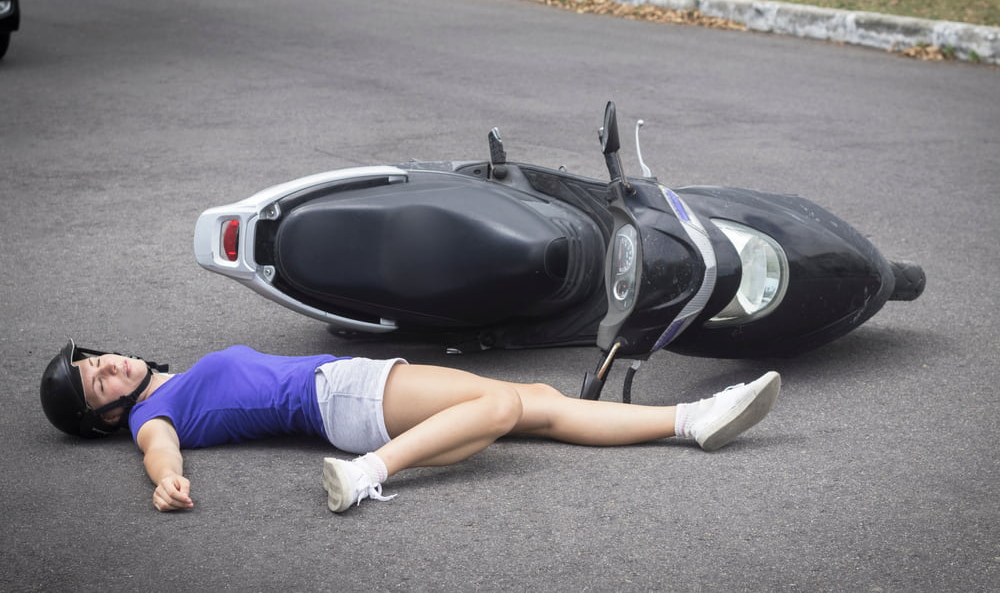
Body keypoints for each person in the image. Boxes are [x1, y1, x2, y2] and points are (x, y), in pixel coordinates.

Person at [40, 340, 781, 513]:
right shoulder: (149, 415)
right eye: (95, 380)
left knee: (536, 399)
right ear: (103, 414)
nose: (107, 364)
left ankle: (693, 419)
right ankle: (367, 474)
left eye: (97, 357)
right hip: (341, 395)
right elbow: (160, 447)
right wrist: (166, 478)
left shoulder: (163, 384)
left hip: (345, 390)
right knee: (509, 407)